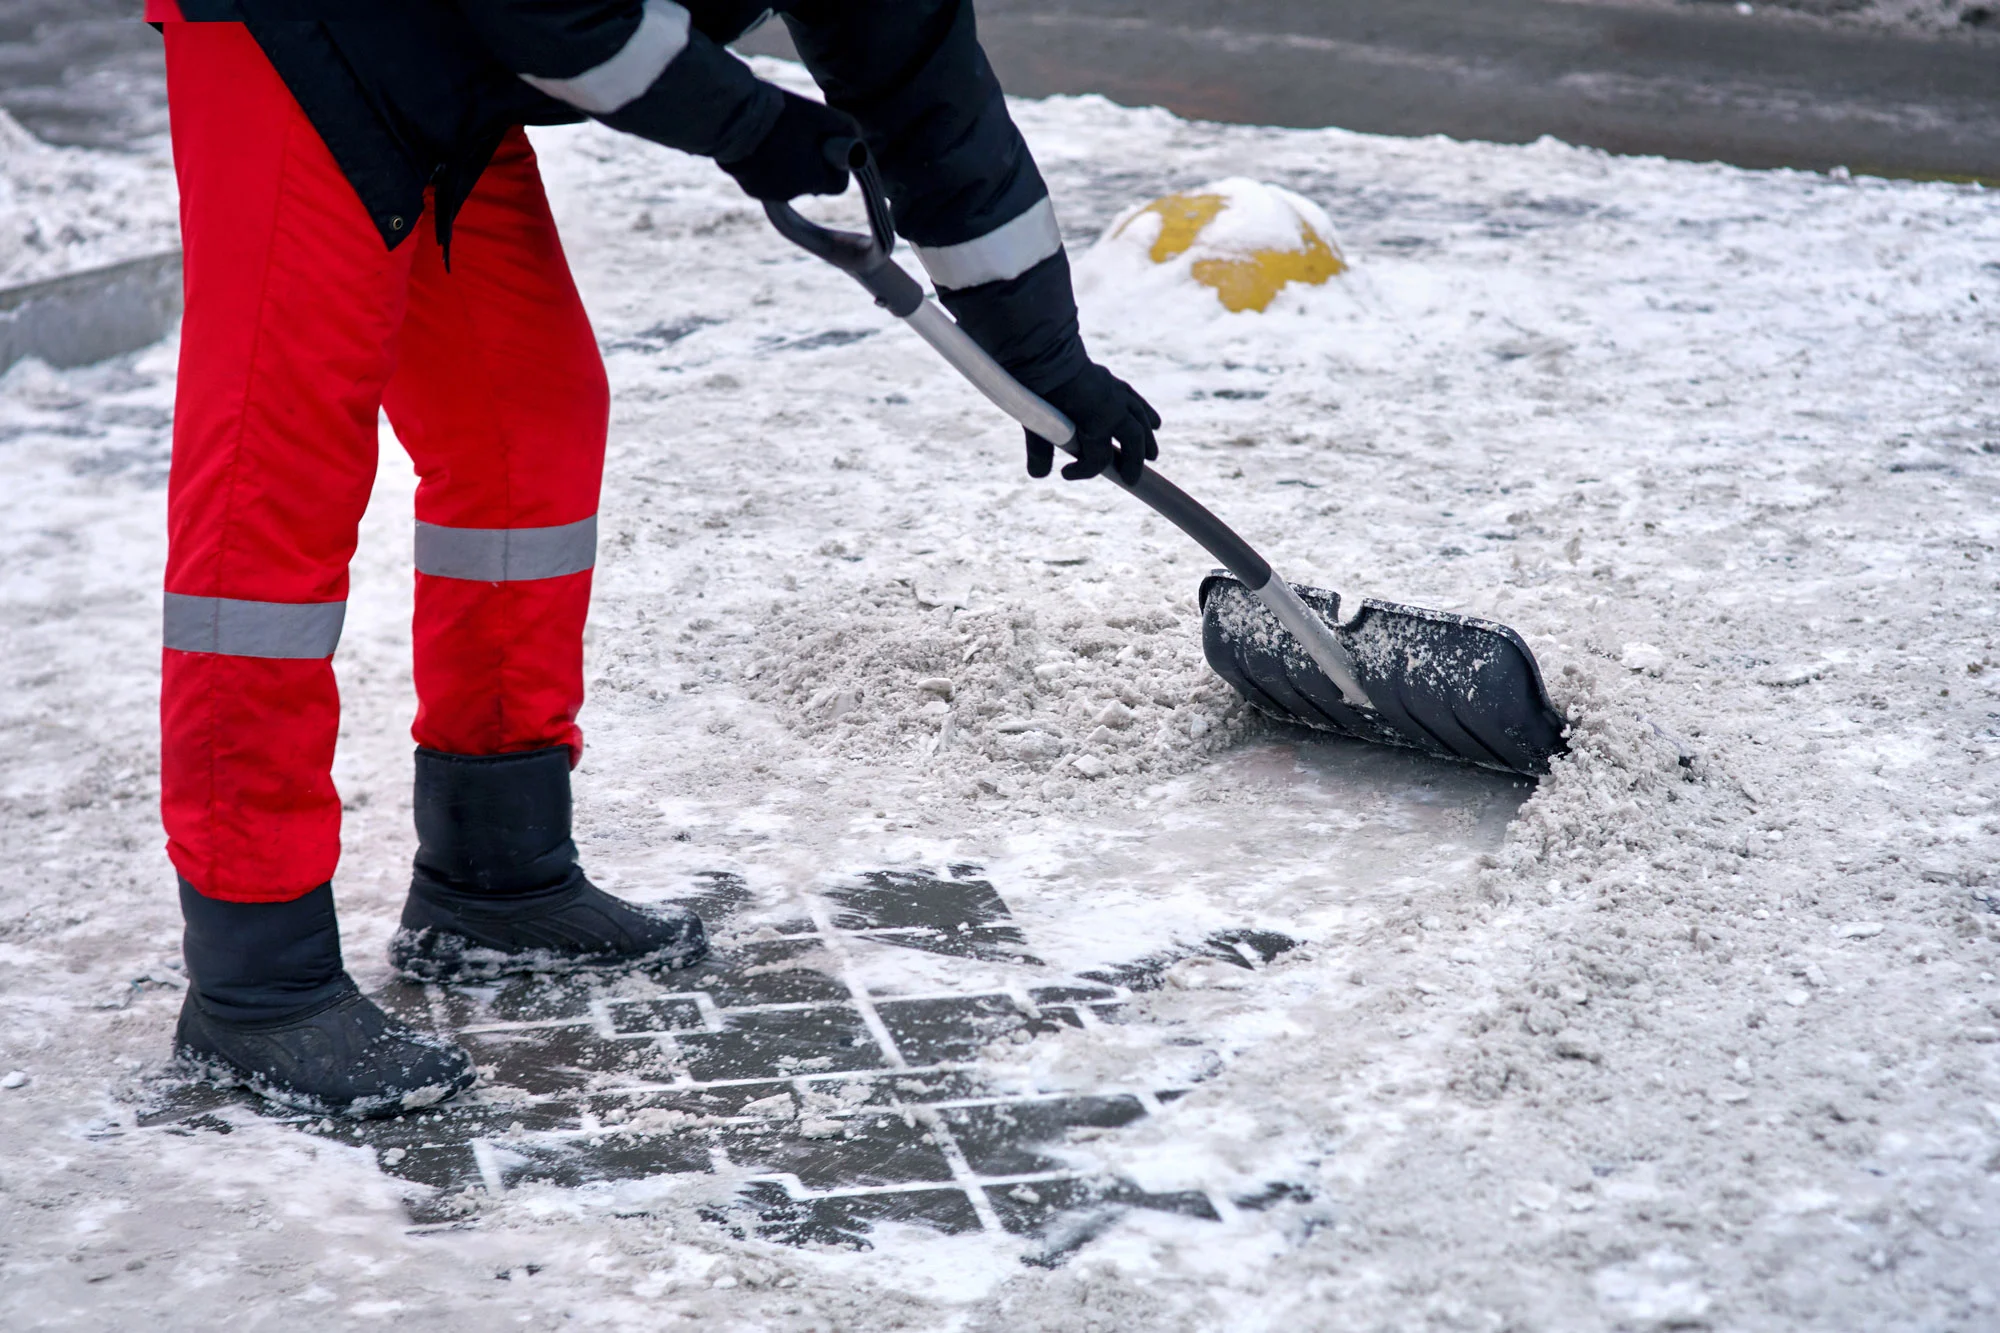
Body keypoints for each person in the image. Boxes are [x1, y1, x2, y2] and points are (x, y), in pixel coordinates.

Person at [150, 0, 1162, 1120]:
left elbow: (929, 100)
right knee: (274, 485)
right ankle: (258, 976)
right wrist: (743, 122)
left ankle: (494, 872)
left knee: (526, 428)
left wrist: (1047, 361)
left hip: (448, 64)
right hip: (295, 33)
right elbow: (563, 12)